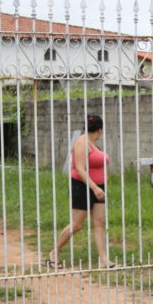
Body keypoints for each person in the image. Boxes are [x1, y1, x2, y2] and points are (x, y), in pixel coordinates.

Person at [47, 115, 112, 269]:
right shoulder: (81, 143)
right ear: (100, 130)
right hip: (82, 187)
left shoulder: (93, 144)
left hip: (99, 188)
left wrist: (102, 180)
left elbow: (96, 164)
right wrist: (94, 187)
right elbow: (80, 169)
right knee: (77, 225)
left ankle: (104, 259)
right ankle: (54, 252)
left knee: (99, 223)